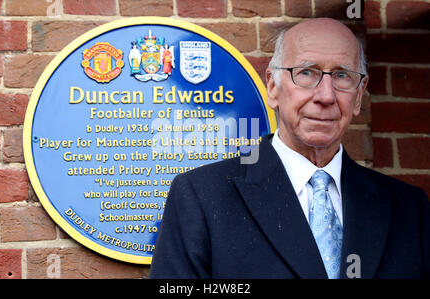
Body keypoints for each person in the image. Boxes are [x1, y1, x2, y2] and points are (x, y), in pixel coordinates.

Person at [149, 18, 429, 279]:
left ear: (359, 94)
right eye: (307, 72)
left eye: (342, 76)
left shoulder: (408, 208)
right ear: (273, 86)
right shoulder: (202, 196)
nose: (326, 95)